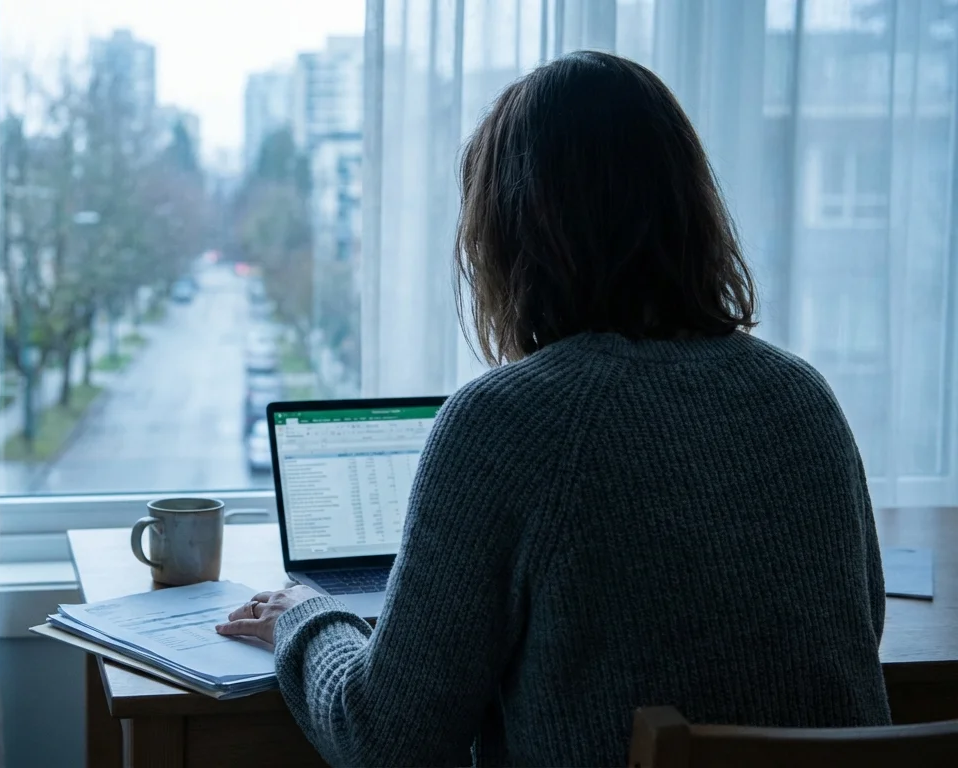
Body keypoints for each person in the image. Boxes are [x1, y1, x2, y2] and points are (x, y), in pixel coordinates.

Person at [214, 50, 890, 767]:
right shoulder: (803, 397)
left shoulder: (508, 424)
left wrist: (307, 619)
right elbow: (858, 629)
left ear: (509, 236)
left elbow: (387, 741)